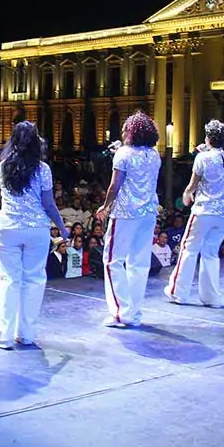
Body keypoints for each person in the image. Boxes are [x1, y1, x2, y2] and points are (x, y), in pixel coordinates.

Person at [0, 121, 68, 348]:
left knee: (8, 279)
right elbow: (49, 204)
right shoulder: (43, 169)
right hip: (36, 230)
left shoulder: (3, 166)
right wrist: (62, 227)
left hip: (8, 228)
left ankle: (3, 335)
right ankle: (26, 334)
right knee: (33, 279)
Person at [95, 112, 161, 327]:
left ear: (131, 131)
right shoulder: (154, 155)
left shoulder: (123, 154)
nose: (123, 132)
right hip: (148, 213)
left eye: (125, 129)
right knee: (139, 263)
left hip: (125, 213)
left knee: (112, 260)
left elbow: (115, 186)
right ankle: (133, 313)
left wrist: (105, 206)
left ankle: (120, 312)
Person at [164, 120, 224, 307]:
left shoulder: (202, 158)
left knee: (189, 249)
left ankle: (178, 292)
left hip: (204, 210)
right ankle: (211, 298)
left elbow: (192, 185)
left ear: (208, 138)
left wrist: (186, 195)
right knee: (211, 253)